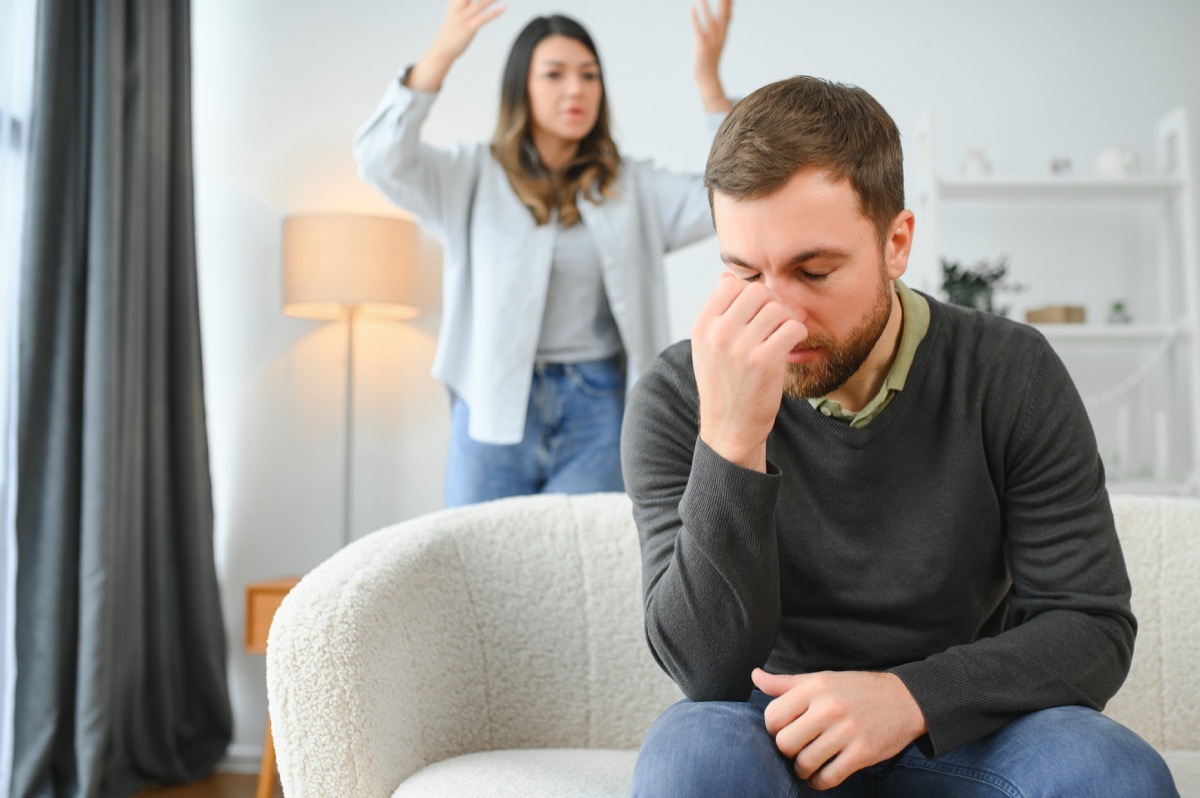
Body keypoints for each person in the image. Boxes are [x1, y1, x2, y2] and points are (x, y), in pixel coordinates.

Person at [620, 75, 1179, 796]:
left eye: (814, 270)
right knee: (689, 757)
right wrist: (733, 436)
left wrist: (910, 697)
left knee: (1114, 772)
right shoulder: (677, 394)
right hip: (770, 730)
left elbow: (1090, 625)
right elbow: (705, 671)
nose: (779, 314)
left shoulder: (1010, 371)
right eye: (744, 272)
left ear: (897, 243)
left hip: (966, 723)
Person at [354, 0, 733, 507]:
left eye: (589, 76)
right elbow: (380, 158)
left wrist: (709, 82)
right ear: (522, 88)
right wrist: (441, 53)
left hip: (598, 410)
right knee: (476, 569)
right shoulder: (470, 175)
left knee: (582, 575)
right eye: (554, 74)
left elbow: (735, 196)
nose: (575, 89)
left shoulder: (633, 188)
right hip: (492, 406)